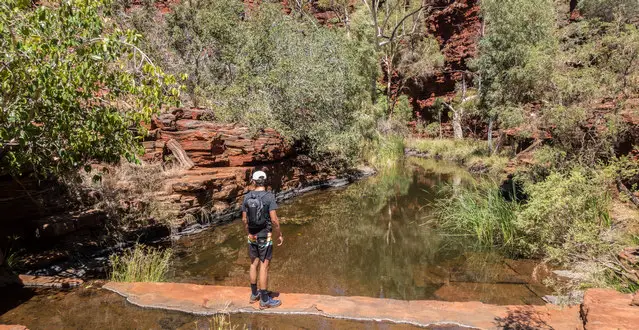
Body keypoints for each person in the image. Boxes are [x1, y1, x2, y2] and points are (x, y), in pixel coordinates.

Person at [241, 170, 284, 309]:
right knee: (264, 266)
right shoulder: (269, 197)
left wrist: (248, 232)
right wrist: (279, 234)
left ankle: (254, 294)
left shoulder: (247, 197)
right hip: (265, 235)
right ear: (265, 181)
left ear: (253, 181)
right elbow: (274, 219)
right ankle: (265, 300)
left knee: (253, 264)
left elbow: (243, 219)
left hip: (252, 235)